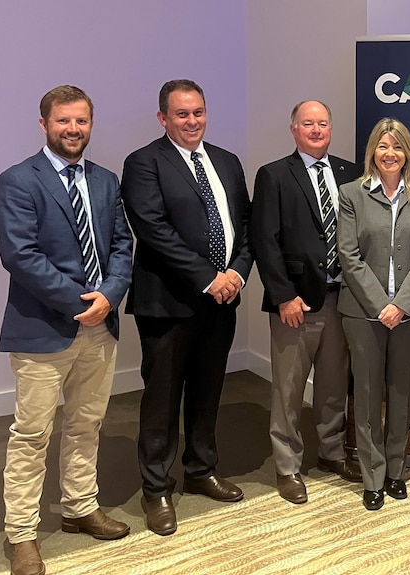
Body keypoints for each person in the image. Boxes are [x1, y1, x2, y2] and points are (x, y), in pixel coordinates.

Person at [0, 85, 133, 575]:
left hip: (101, 326)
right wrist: (82, 303)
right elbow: (20, 256)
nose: (73, 130)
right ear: (44, 124)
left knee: (86, 424)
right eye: (63, 122)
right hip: (44, 328)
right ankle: (22, 534)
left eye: (81, 122)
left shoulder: (105, 180)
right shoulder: (17, 181)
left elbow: (121, 245)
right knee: (31, 434)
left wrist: (109, 296)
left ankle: (79, 507)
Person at [121, 79, 253, 536]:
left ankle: (201, 471)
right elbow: (153, 230)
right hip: (169, 302)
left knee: (208, 391)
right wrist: (207, 278)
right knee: (161, 397)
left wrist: (235, 273)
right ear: (163, 118)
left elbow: (245, 225)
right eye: (182, 114)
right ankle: (156, 488)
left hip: (223, 300)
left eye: (198, 112)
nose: (192, 121)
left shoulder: (227, 161)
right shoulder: (143, 163)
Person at [250, 100, 363, 505]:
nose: (316, 130)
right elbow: (265, 240)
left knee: (333, 385)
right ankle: (287, 466)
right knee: (289, 388)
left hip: (343, 300)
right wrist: (283, 295)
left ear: (331, 128)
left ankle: (332, 452)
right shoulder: (274, 175)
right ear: (294, 129)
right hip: (295, 302)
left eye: (323, 123)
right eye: (307, 124)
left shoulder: (351, 173)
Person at [336, 118, 410, 511]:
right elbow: (349, 255)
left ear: (407, 153)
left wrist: (401, 305)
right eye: (382, 146)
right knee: (366, 394)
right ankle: (372, 475)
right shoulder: (351, 195)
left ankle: (396, 470)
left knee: (400, 393)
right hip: (363, 312)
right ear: (372, 153)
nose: (390, 154)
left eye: (397, 147)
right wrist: (382, 306)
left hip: (408, 314)